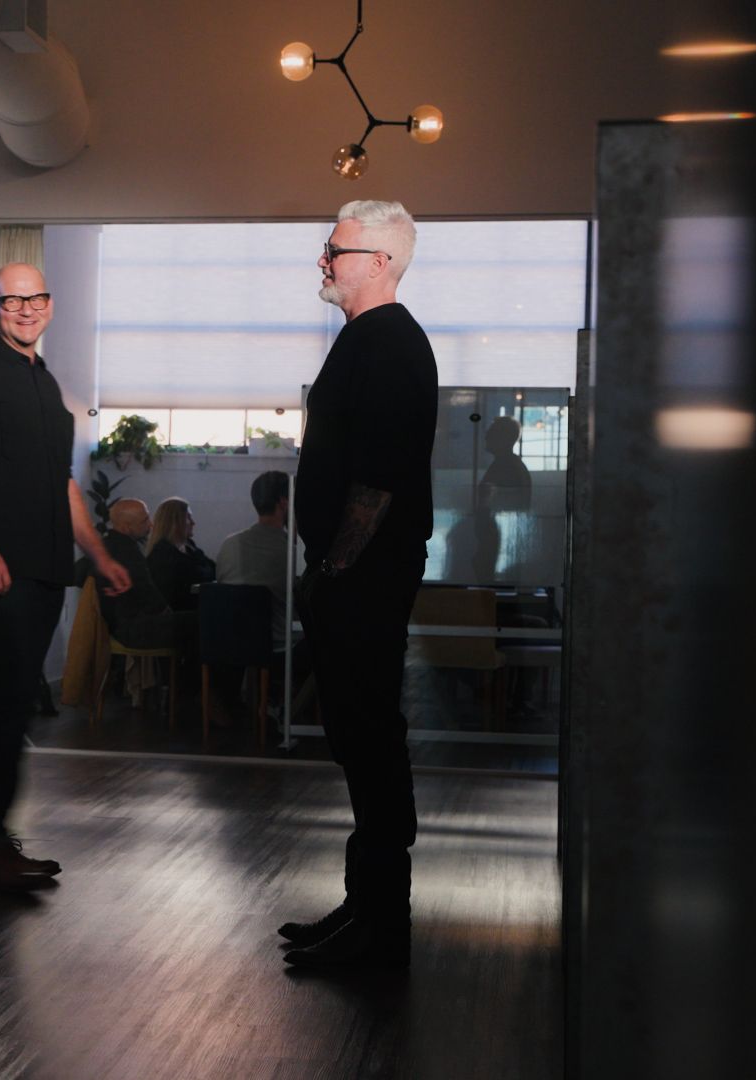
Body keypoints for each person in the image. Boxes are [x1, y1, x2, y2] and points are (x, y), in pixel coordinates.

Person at [0, 262, 131, 892]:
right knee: (1, 700)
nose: (26, 309)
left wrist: (96, 550)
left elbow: (61, 483)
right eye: (13, 301)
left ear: (50, 304)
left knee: (14, 701)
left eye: (36, 298)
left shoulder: (46, 386)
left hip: (44, 570)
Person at [281, 200, 438, 970]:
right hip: (356, 582)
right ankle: (364, 910)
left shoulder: (388, 345)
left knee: (371, 741)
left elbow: (376, 484)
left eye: (334, 250)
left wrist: (332, 573)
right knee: (359, 742)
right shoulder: (367, 342)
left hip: (364, 583)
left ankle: (380, 928)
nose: (323, 261)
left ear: (378, 260)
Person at [98, 498, 199, 655]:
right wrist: (169, 615)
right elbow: (147, 593)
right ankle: (190, 678)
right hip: (131, 629)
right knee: (203, 620)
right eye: (145, 520)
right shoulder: (127, 551)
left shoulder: (106, 545)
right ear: (126, 527)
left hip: (118, 624)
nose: (151, 524)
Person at [215, 469, 298, 650]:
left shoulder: (228, 545)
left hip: (230, 646)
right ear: (284, 503)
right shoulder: (291, 554)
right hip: (278, 648)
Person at [145, 497, 216, 611]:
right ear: (174, 521)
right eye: (188, 517)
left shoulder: (189, 547)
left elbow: (213, 569)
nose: (193, 523)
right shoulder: (162, 556)